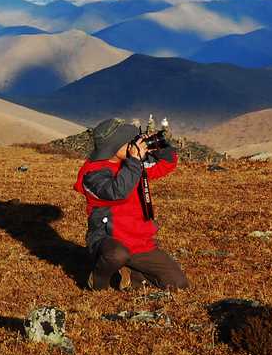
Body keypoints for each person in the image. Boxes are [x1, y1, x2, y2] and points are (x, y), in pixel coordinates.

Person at [74, 118, 188, 291]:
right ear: (113, 147)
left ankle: (128, 275)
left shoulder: (129, 163)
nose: (132, 145)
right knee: (116, 254)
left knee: (177, 284)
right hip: (109, 239)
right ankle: (98, 281)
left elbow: (166, 165)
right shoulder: (93, 173)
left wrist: (158, 145)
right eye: (128, 141)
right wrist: (134, 161)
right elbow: (117, 192)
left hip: (139, 242)